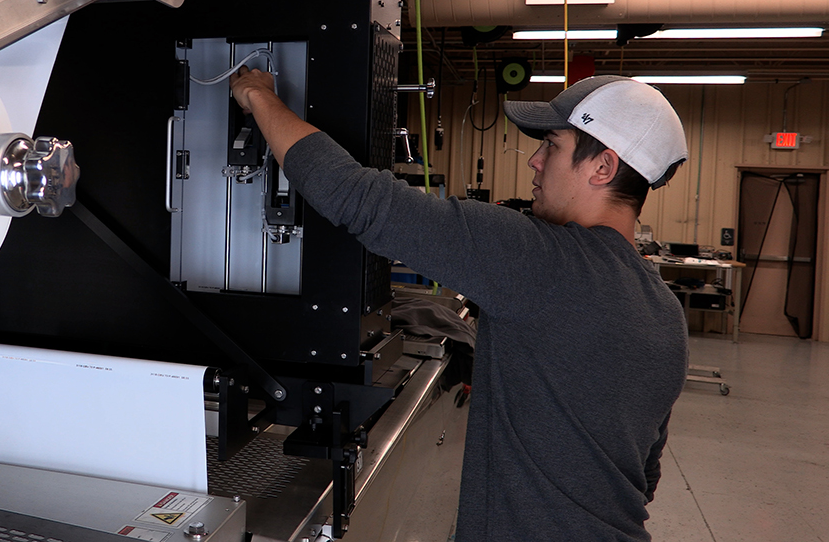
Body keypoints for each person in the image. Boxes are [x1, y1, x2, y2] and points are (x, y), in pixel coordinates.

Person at [229, 70, 690, 542]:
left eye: (552, 145)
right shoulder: (666, 313)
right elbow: (644, 472)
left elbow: (357, 197)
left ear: (603, 168)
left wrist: (260, 97)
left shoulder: (538, 259)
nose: (534, 160)